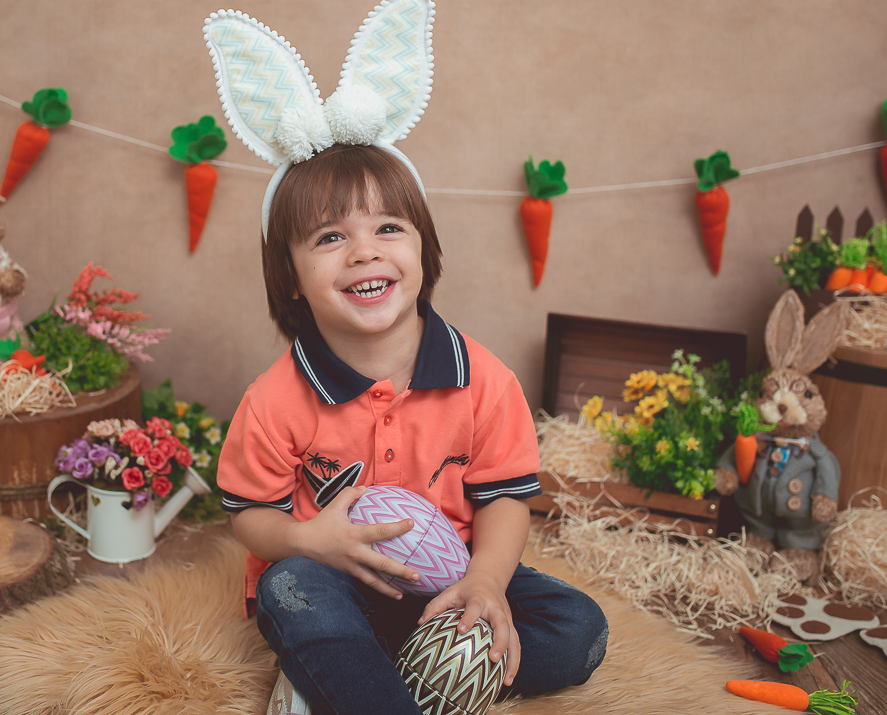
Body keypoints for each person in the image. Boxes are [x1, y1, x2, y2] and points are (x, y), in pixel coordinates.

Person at [217, 143, 609, 715]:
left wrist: (487, 582)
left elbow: (504, 498)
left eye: (389, 227)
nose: (363, 252)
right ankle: (373, 677)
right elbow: (249, 514)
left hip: (453, 579)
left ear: (425, 252)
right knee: (288, 591)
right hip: (339, 577)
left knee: (579, 627)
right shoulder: (275, 398)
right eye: (330, 237)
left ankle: (360, 676)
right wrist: (306, 541)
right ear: (291, 277)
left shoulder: (485, 380)